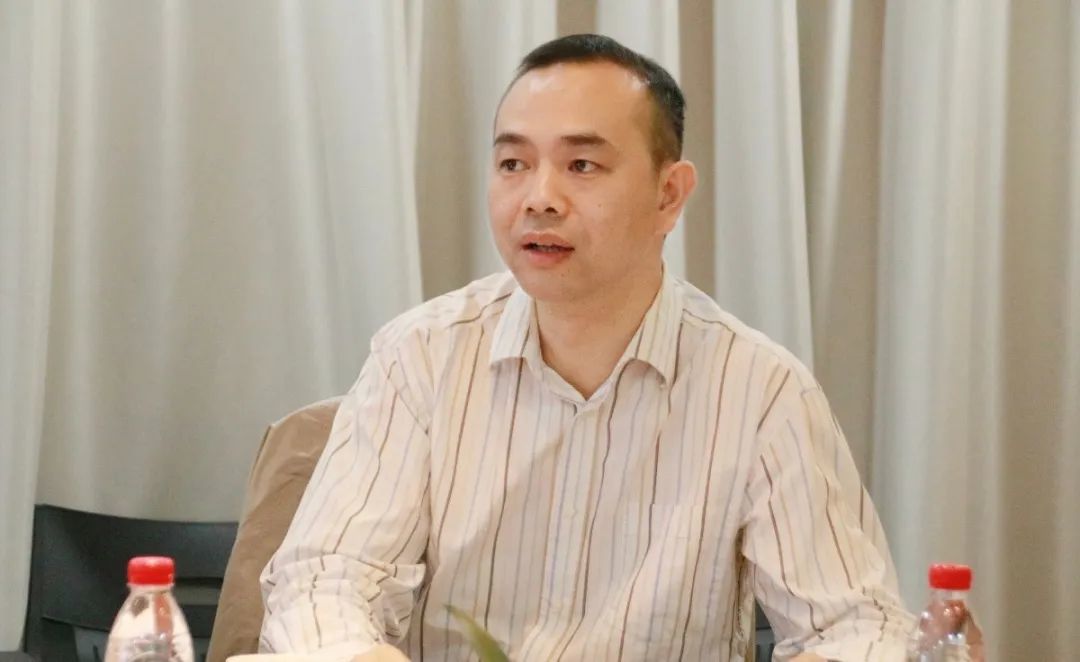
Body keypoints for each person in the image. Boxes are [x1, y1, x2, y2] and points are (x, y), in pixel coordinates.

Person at [260, 34, 913, 661]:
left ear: (669, 195)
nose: (539, 199)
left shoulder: (761, 391)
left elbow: (858, 627)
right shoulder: (421, 356)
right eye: (513, 164)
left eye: (582, 165)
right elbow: (323, 581)